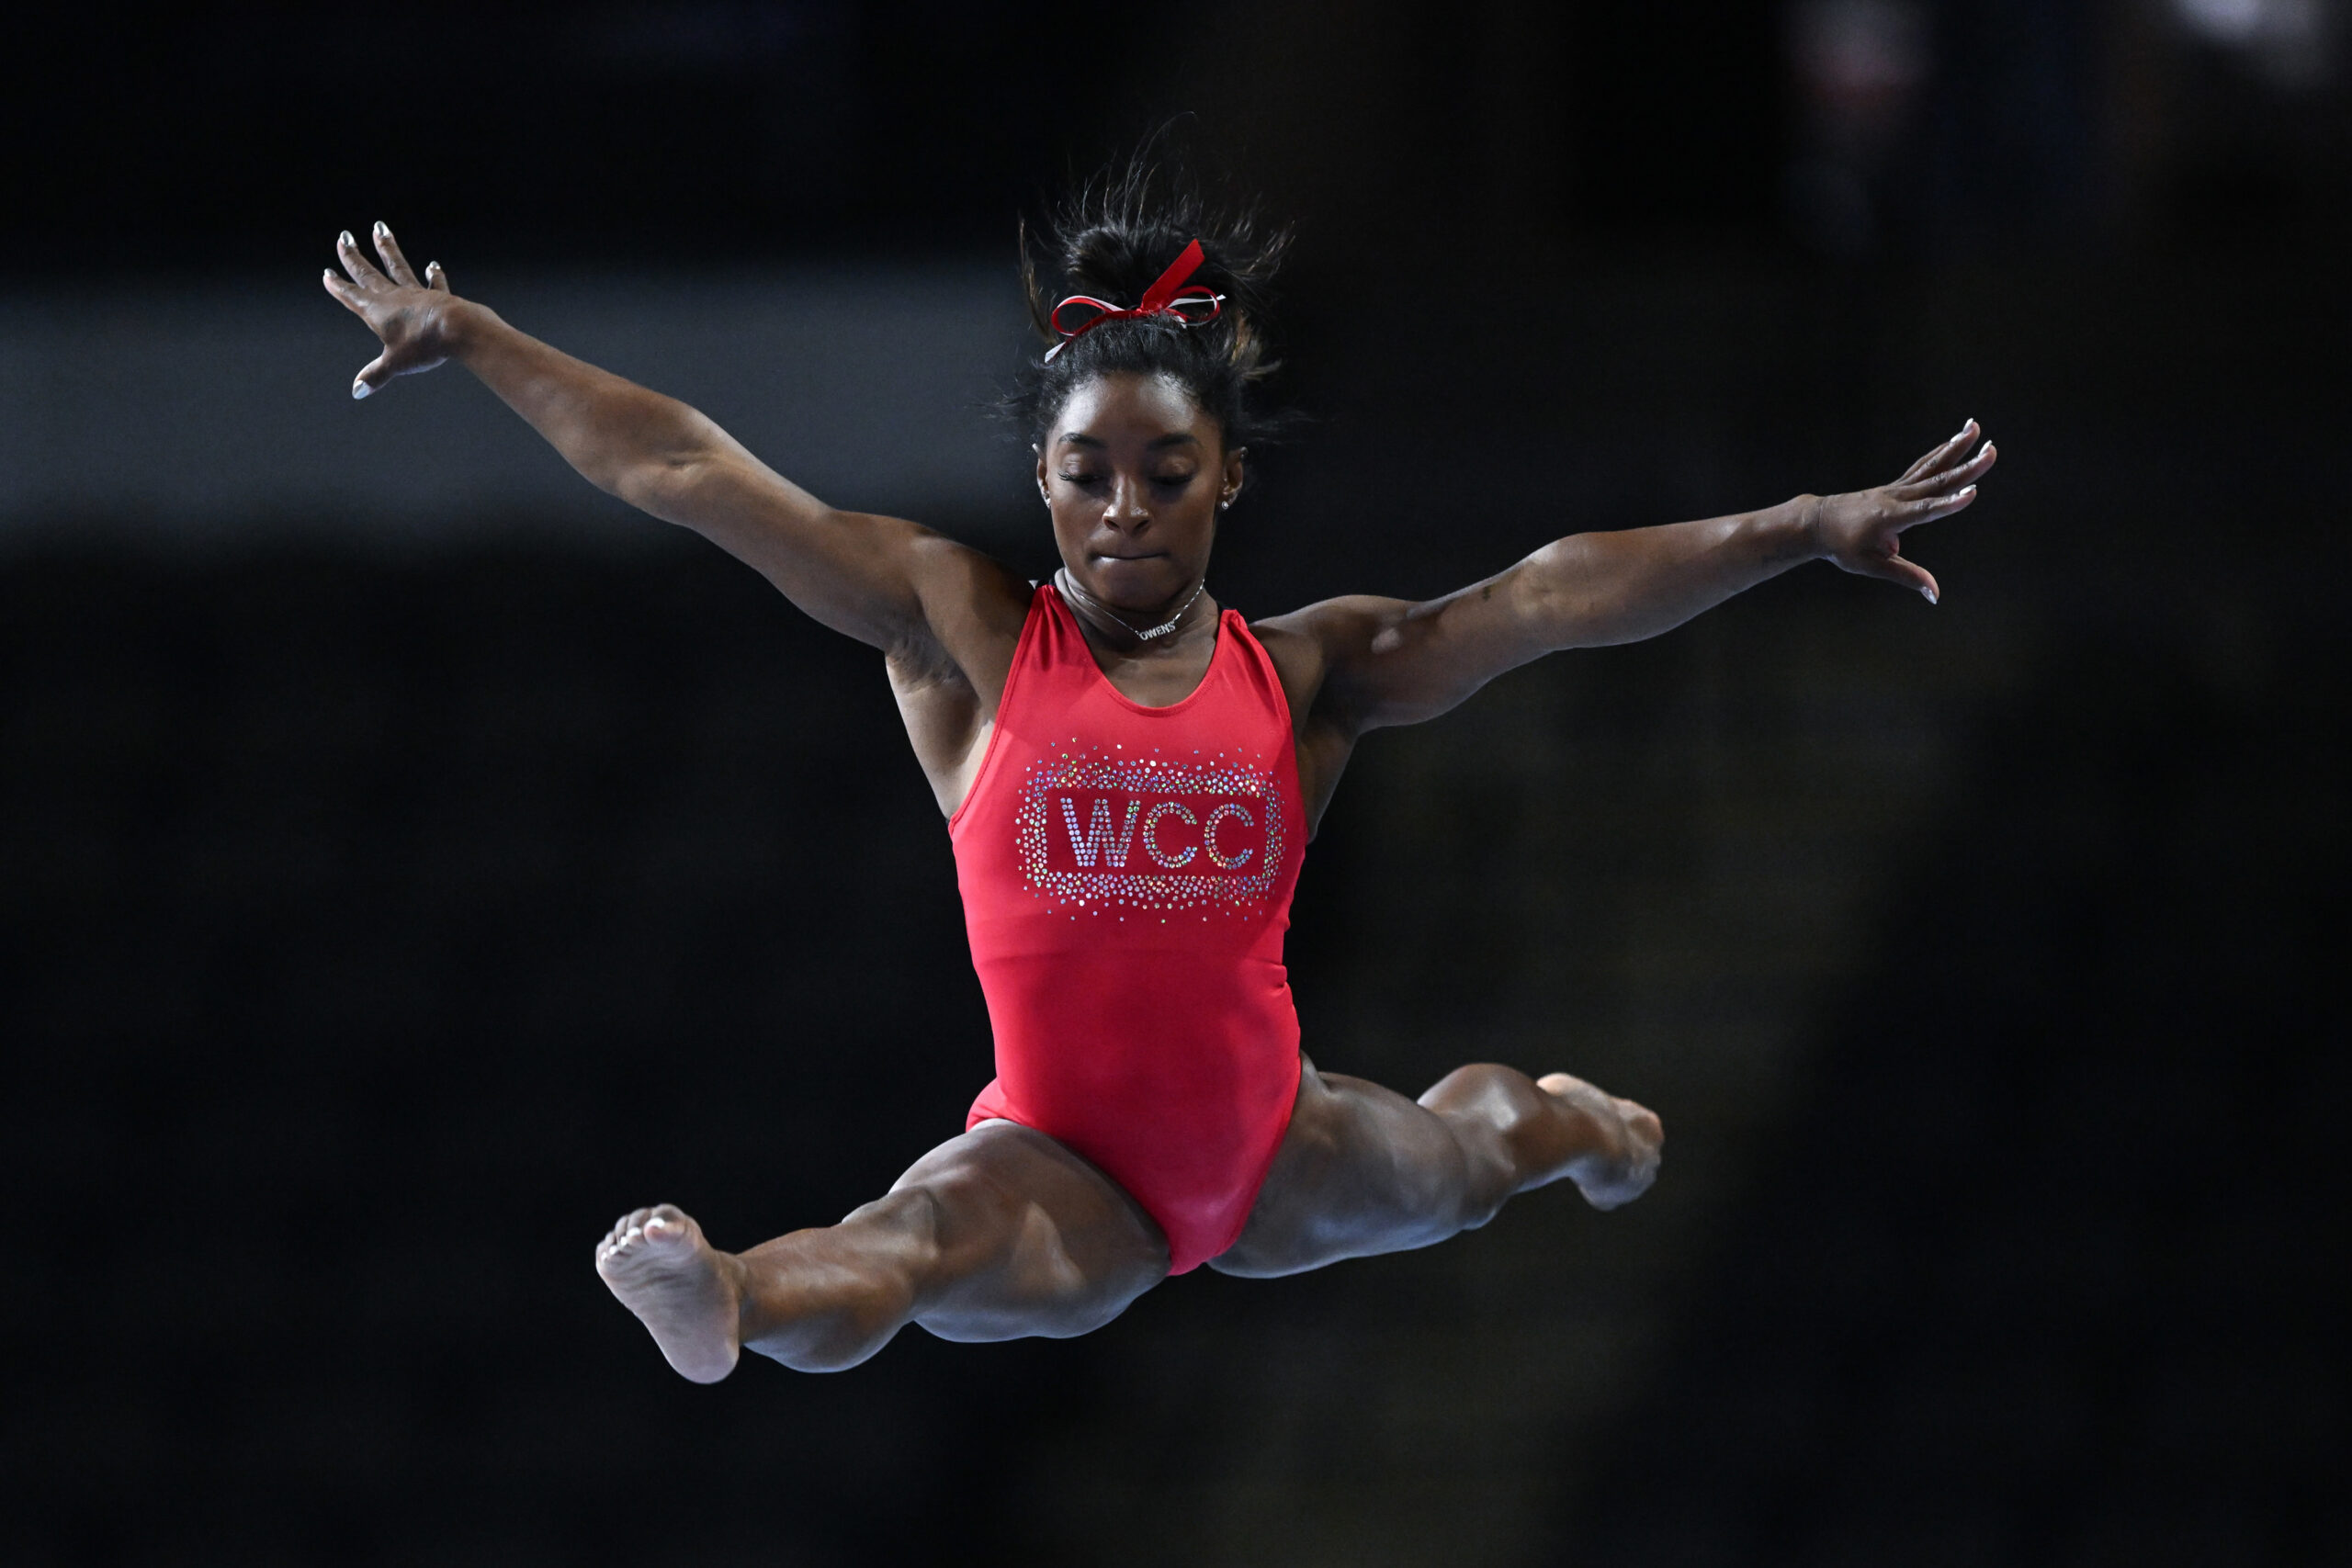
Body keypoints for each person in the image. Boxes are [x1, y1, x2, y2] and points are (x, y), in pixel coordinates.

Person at [322, 167, 1994, 1381]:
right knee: (913, 1246)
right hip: (1063, 1165)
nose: (1124, 508)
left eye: (1165, 472)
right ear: (1042, 480)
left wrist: (1796, 527)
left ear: (1227, 479)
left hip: (1273, 1148)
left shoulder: (1311, 675)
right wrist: (481, 338)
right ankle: (727, 1297)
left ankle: (1577, 1123)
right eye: (1087, 472)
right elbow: (691, 467)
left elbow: (1552, 596)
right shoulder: (963, 634)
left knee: (1473, 1163)